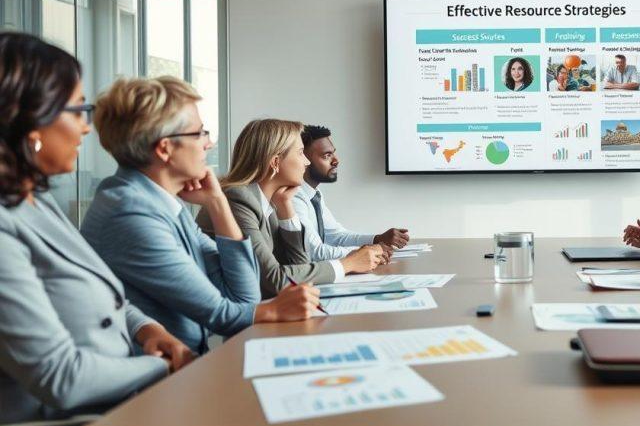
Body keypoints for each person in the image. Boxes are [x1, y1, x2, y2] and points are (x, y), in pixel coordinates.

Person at [0, 33, 191, 425]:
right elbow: (60, 378)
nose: (87, 128)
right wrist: (162, 367)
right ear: (32, 123)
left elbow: (102, 298)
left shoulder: (38, 199)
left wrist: (146, 329)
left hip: (117, 409)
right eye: (77, 110)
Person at [81, 77, 322, 355]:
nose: (208, 144)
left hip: (187, 366)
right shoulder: (129, 213)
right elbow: (224, 314)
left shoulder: (162, 202)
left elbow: (243, 295)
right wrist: (270, 310)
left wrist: (217, 202)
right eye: (199, 133)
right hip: (156, 380)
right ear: (165, 148)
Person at [197, 119, 386, 298]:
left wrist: (286, 208)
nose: (307, 162)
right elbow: (274, 280)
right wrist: (347, 264)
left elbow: (300, 265)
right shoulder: (238, 199)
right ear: (275, 162)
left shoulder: (269, 202)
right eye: (301, 153)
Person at [293, 124, 409, 263]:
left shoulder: (313, 195)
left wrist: (377, 240)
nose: (336, 161)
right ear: (303, 159)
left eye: (333, 153)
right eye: (327, 155)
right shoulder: (294, 197)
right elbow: (316, 253)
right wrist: (368, 252)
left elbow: (336, 237)